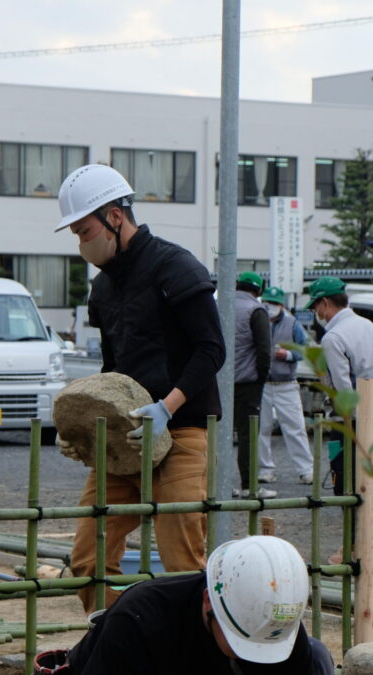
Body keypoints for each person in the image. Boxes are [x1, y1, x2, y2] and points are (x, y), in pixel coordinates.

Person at [53, 164, 225, 614]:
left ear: (114, 216)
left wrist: (167, 407)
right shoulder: (102, 288)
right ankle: (114, 640)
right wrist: (83, 432)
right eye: (74, 234)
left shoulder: (176, 266)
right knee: (88, 553)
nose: (81, 243)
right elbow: (112, 369)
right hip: (124, 436)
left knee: (182, 558)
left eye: (84, 230)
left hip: (183, 430)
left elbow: (211, 350)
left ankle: (192, 653)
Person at [65, 535, 336, 675]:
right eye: (239, 641)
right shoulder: (140, 621)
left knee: (317, 655)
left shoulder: (274, 625)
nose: (252, 656)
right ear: (209, 600)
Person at [305, 276, 373, 563]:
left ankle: (351, 548)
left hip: (348, 423)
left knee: (342, 483)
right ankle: (364, 545)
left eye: (315, 307)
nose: (316, 314)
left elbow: (341, 388)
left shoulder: (333, 337)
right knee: (366, 483)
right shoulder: (372, 329)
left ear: (324, 303)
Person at [256, 286, 314, 485]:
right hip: (262, 383)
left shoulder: (292, 323)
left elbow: (305, 349)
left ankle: (306, 470)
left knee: (295, 427)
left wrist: (289, 355)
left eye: (273, 303)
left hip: (286, 383)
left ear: (281, 305)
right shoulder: (257, 319)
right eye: (267, 302)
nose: (269, 306)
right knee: (261, 429)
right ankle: (264, 470)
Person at [232, 271, 274, 499]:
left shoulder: (220, 306)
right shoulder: (256, 310)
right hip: (248, 383)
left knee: (218, 435)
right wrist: (261, 377)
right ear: (258, 290)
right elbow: (264, 352)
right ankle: (249, 486)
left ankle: (217, 486)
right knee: (248, 435)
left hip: (220, 382)